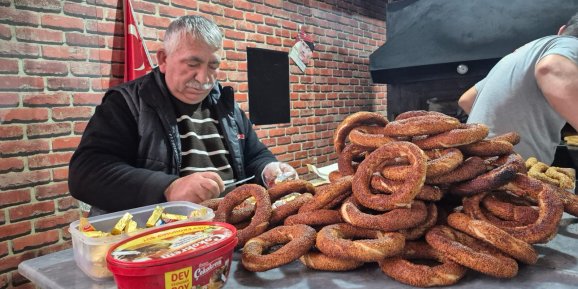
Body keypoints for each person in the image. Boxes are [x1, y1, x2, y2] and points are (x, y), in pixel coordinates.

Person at [68, 15, 297, 214]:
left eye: (212, 66)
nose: (204, 78)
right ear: (163, 60)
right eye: (192, 64)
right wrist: (168, 188)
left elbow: (254, 155)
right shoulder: (127, 103)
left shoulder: (226, 106)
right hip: (161, 240)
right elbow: (86, 174)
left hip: (229, 232)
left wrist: (268, 169)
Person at [458, 12, 578, 165]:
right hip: (512, 173)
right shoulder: (570, 44)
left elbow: (467, 100)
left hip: (475, 166)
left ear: (561, 30)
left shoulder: (521, 54)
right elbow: (550, 68)